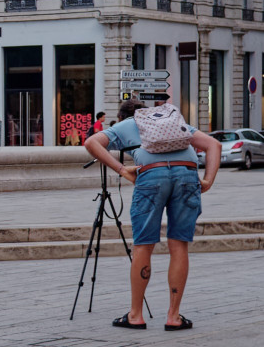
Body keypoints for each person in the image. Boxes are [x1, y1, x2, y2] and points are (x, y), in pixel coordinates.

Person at [83, 98, 222, 332]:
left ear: (123, 115)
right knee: (179, 245)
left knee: (143, 245)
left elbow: (91, 142)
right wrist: (207, 181)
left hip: (151, 176)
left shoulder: (127, 124)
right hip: (187, 175)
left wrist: (121, 170)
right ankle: (174, 317)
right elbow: (213, 145)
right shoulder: (171, 121)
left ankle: (136, 315)